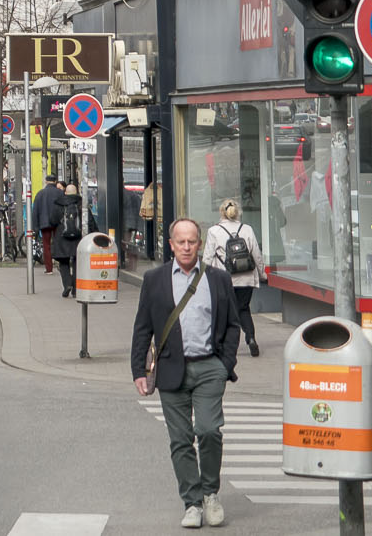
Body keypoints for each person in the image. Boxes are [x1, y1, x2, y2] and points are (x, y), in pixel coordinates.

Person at [132, 219, 241, 529]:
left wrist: (225, 364)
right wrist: (139, 370)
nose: (186, 247)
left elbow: (233, 325)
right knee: (180, 440)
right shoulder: (154, 280)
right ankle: (192, 503)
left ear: (200, 244)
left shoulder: (218, 279)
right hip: (170, 369)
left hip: (209, 367)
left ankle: (210, 494)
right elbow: (143, 327)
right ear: (171, 244)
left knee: (208, 430)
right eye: (180, 241)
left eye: (192, 241)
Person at [204, 200, 264, 357]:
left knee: (224, 310)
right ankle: (251, 338)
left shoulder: (214, 231)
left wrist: (202, 279)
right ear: (238, 213)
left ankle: (223, 344)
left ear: (221, 213)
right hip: (246, 278)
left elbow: (208, 257)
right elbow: (256, 254)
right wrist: (262, 273)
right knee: (243, 308)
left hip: (224, 278)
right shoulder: (247, 229)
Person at [52, 180, 84, 297]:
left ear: (65, 192)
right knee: (77, 262)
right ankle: (75, 288)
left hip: (62, 237)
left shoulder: (58, 204)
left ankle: (67, 284)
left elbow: (53, 220)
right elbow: (89, 220)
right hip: (78, 237)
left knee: (63, 262)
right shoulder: (81, 203)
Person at [31, 175, 65, 272]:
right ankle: (61, 265)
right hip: (58, 223)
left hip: (44, 223)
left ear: (46, 181)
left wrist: (35, 227)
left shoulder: (40, 194)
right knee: (59, 243)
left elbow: (35, 211)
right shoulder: (60, 193)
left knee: (46, 245)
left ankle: (49, 268)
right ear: (55, 181)